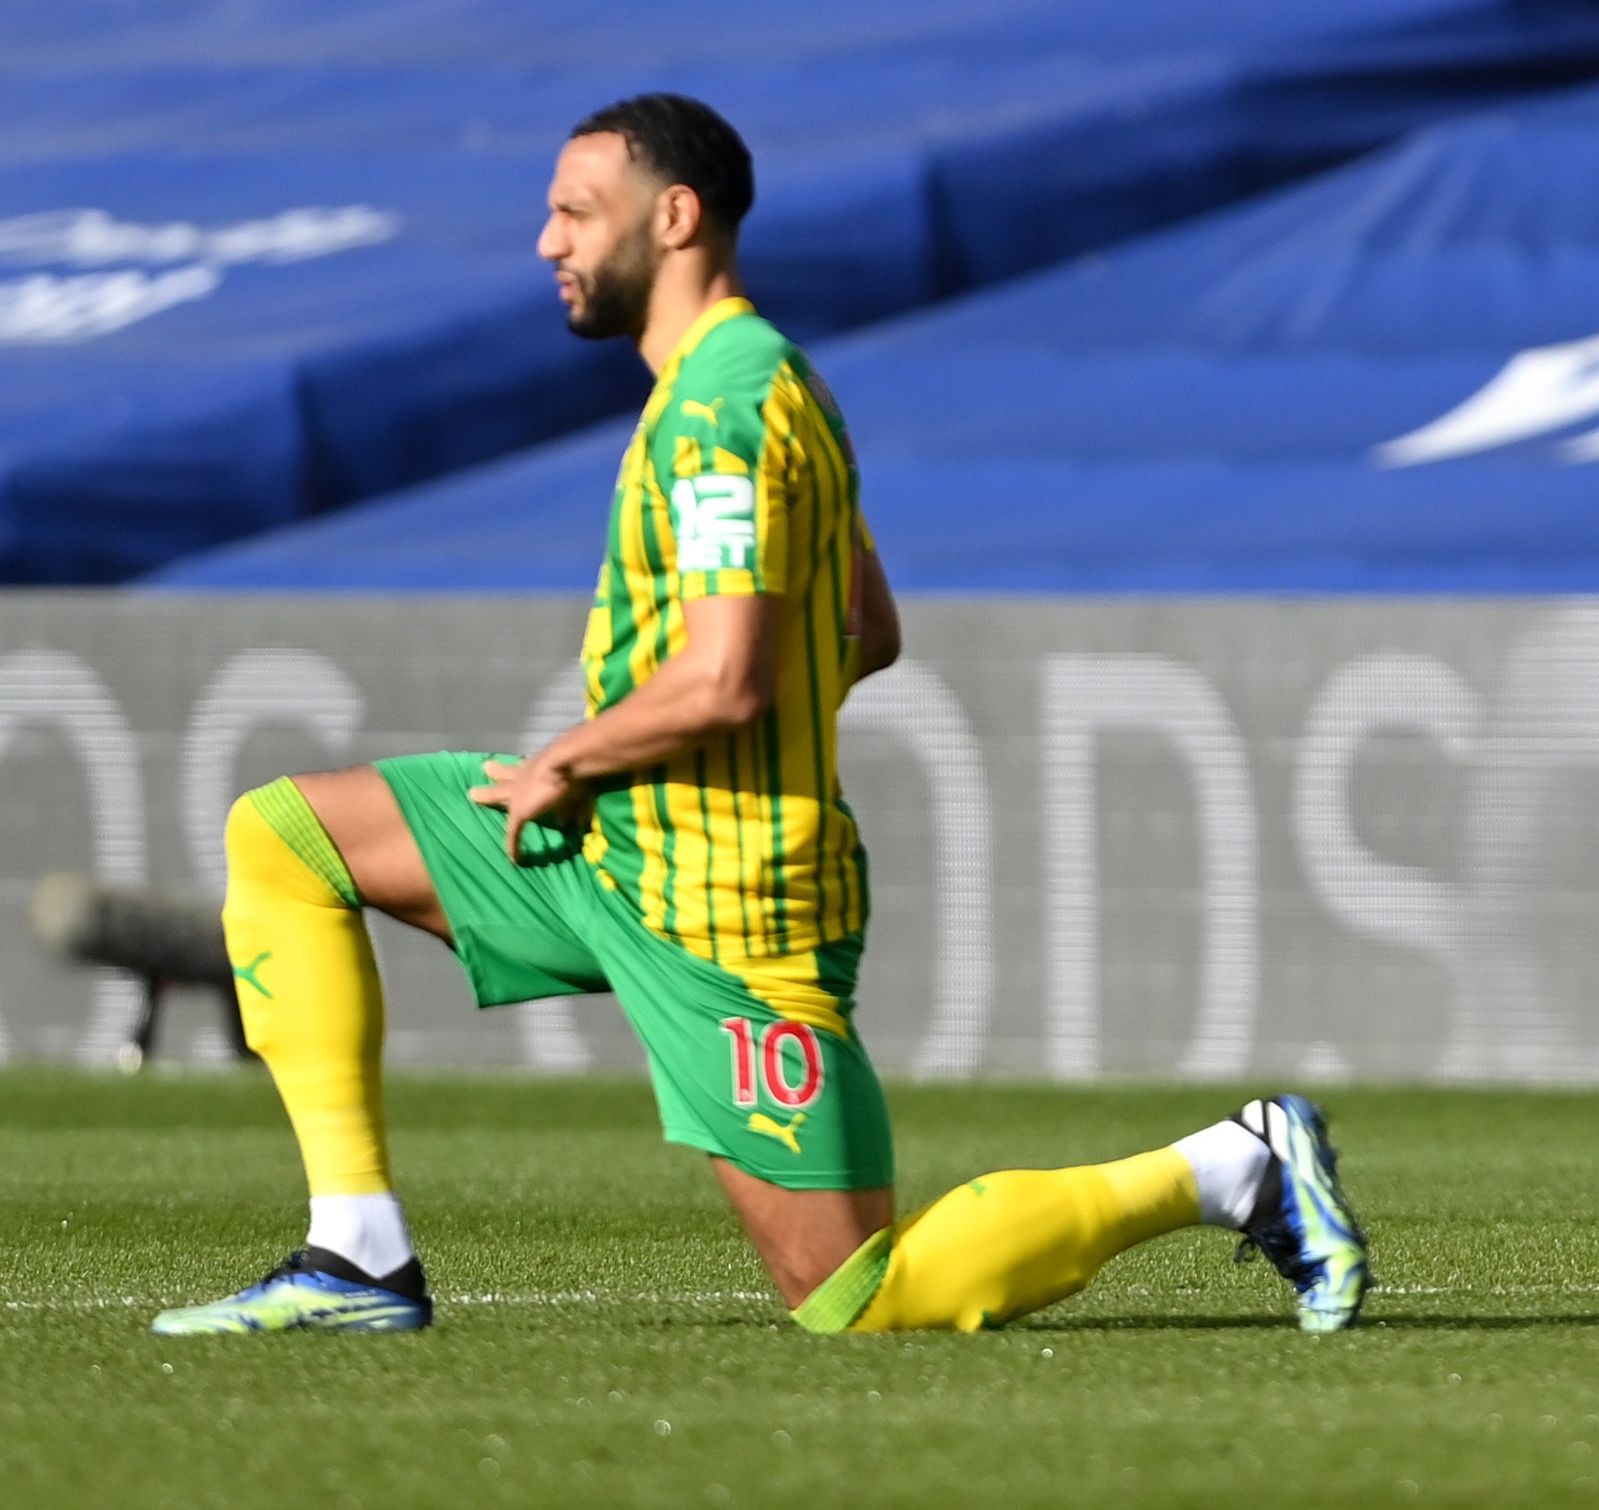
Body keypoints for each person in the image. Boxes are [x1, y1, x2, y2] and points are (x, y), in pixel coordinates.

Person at [153, 94, 1370, 1337]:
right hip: (617, 847)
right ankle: (357, 1258)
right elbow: (868, 629)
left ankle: (1234, 1166)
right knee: (287, 837)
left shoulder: (728, 400)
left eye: (575, 211)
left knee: (857, 1299)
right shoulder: (747, 385)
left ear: (674, 217)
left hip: (729, 907)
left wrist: (578, 756)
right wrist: (634, 764)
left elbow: (729, 674)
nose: (546, 242)